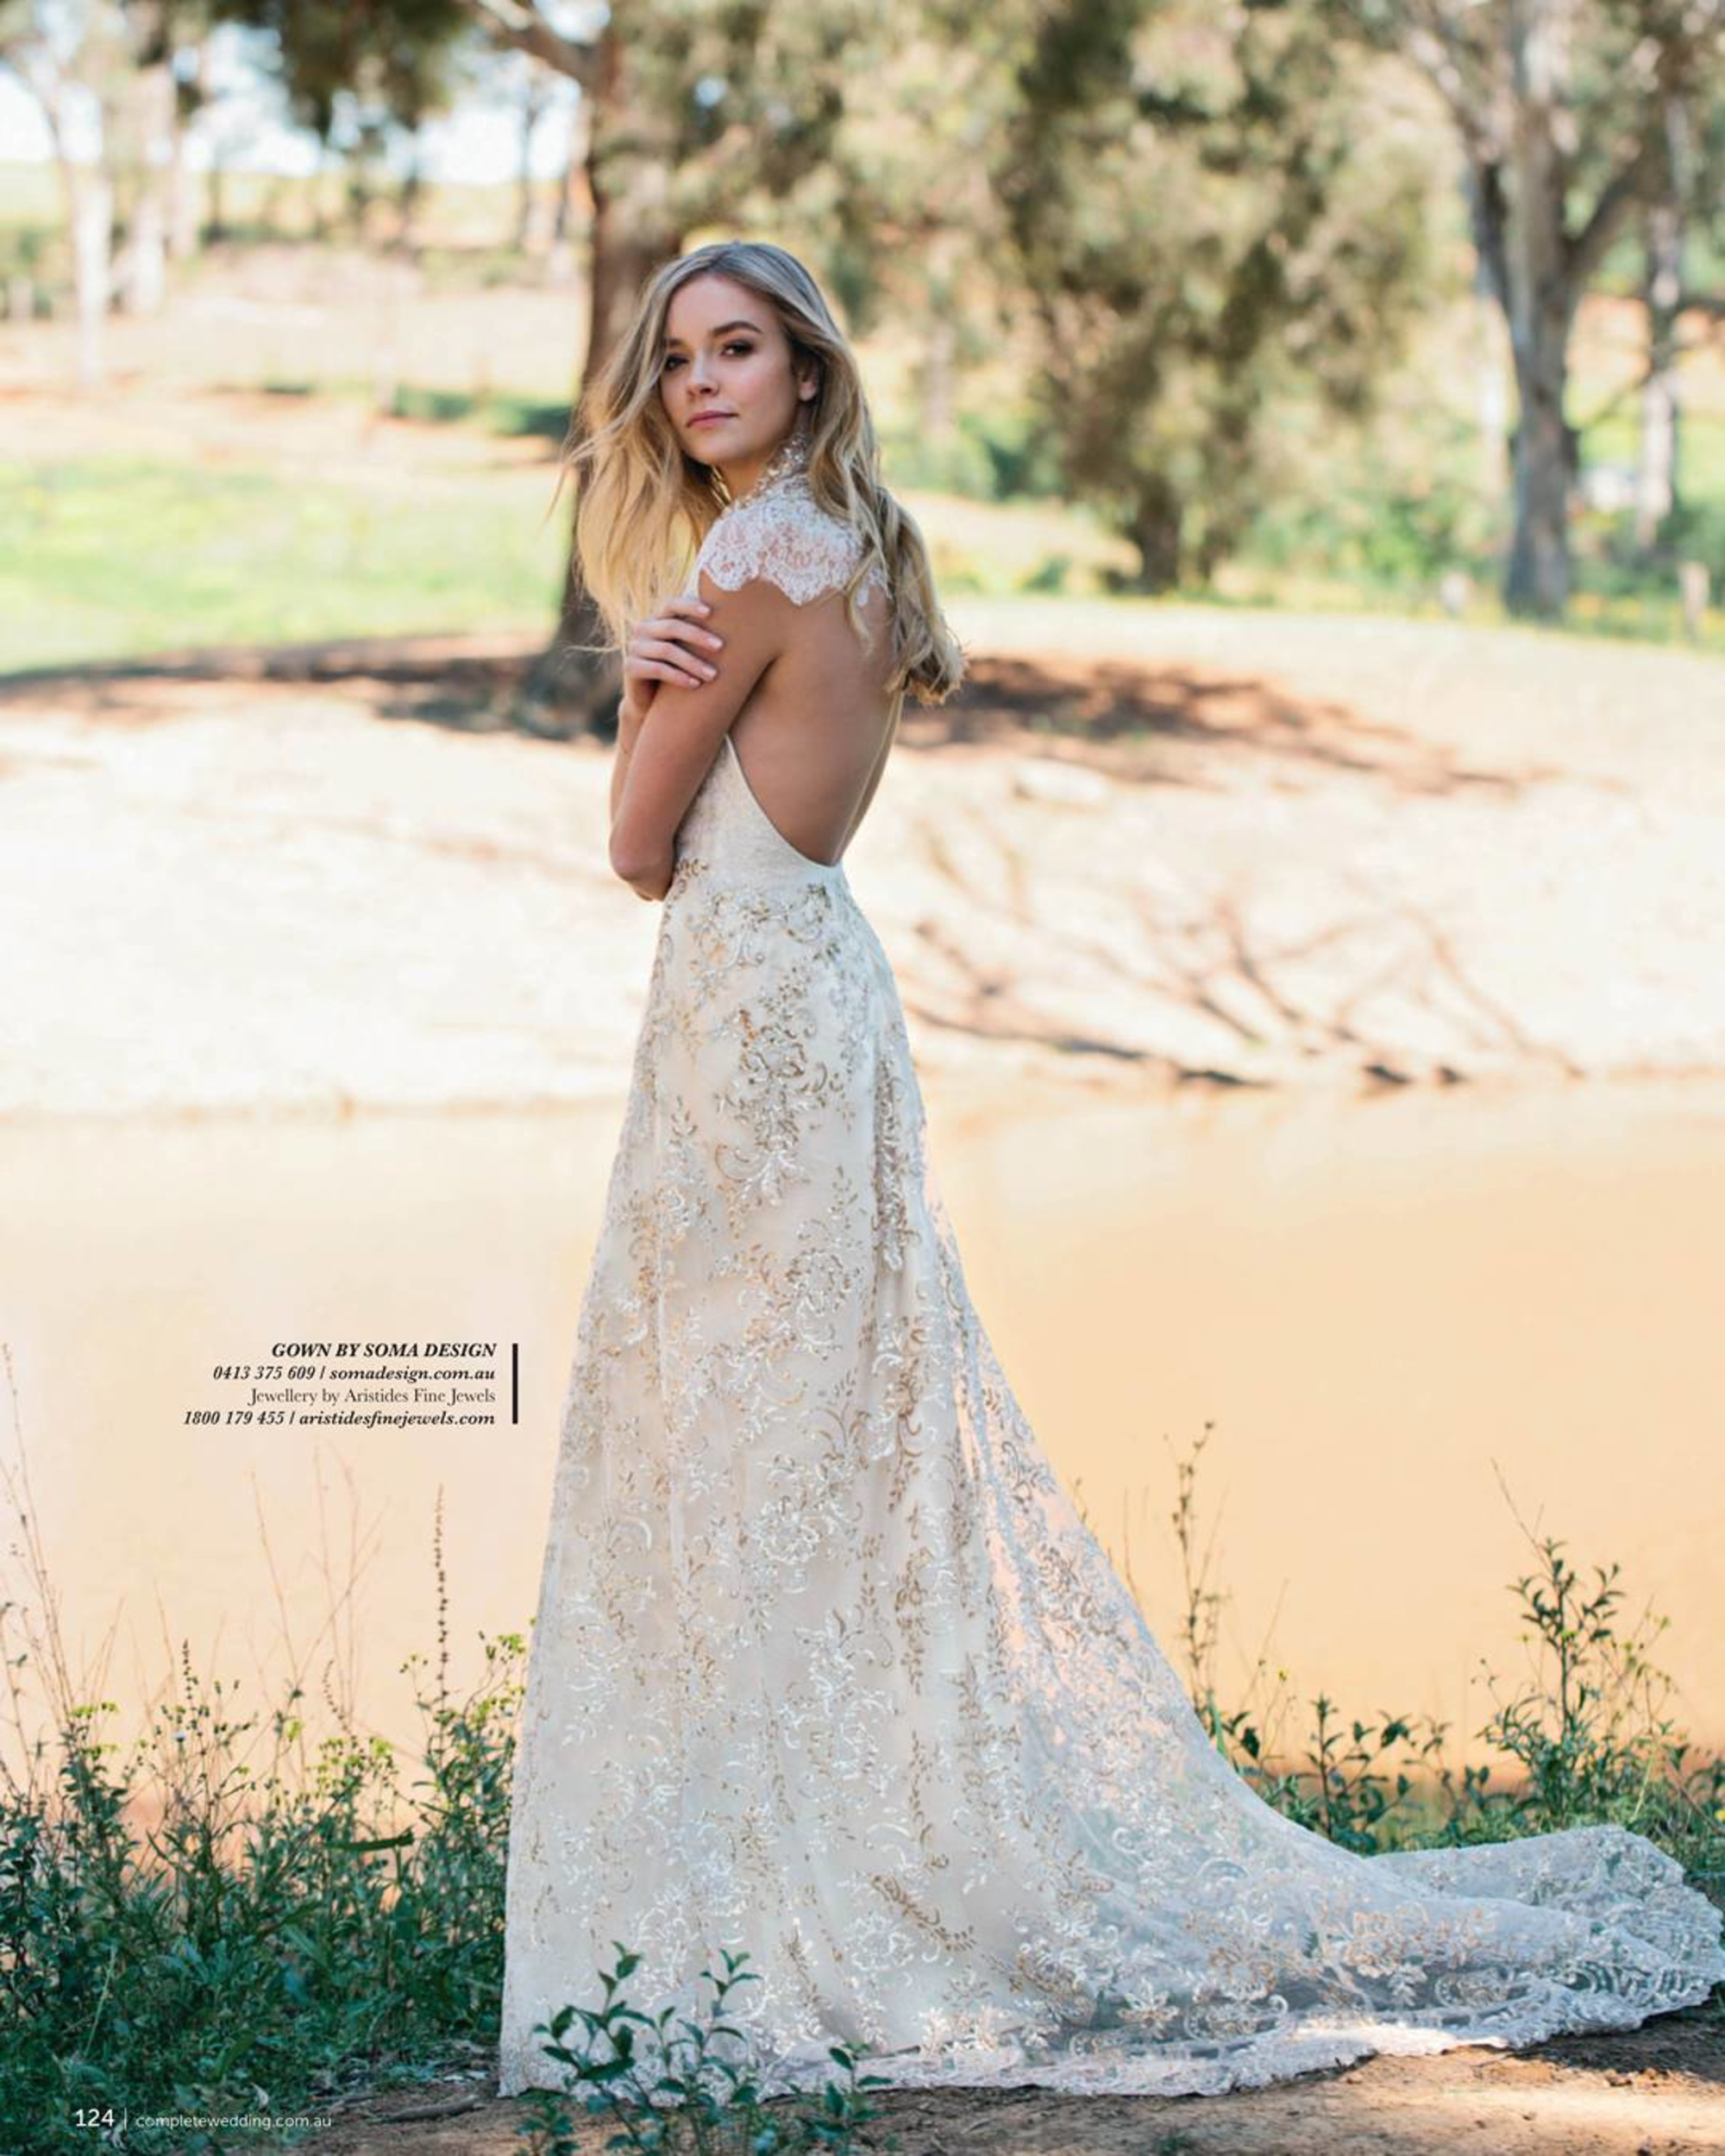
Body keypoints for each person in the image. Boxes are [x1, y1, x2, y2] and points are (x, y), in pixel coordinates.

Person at [498, 238, 1723, 2103]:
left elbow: (638, 843)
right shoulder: (861, 545)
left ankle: (759, 1887)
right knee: (818, 1437)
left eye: (737, 350)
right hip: (819, 997)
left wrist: (634, 683)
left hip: (745, 1016)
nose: (698, 386)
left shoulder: (747, 558)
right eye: (676, 360)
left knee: (726, 1440)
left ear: (811, 372)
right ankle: (820, 1845)